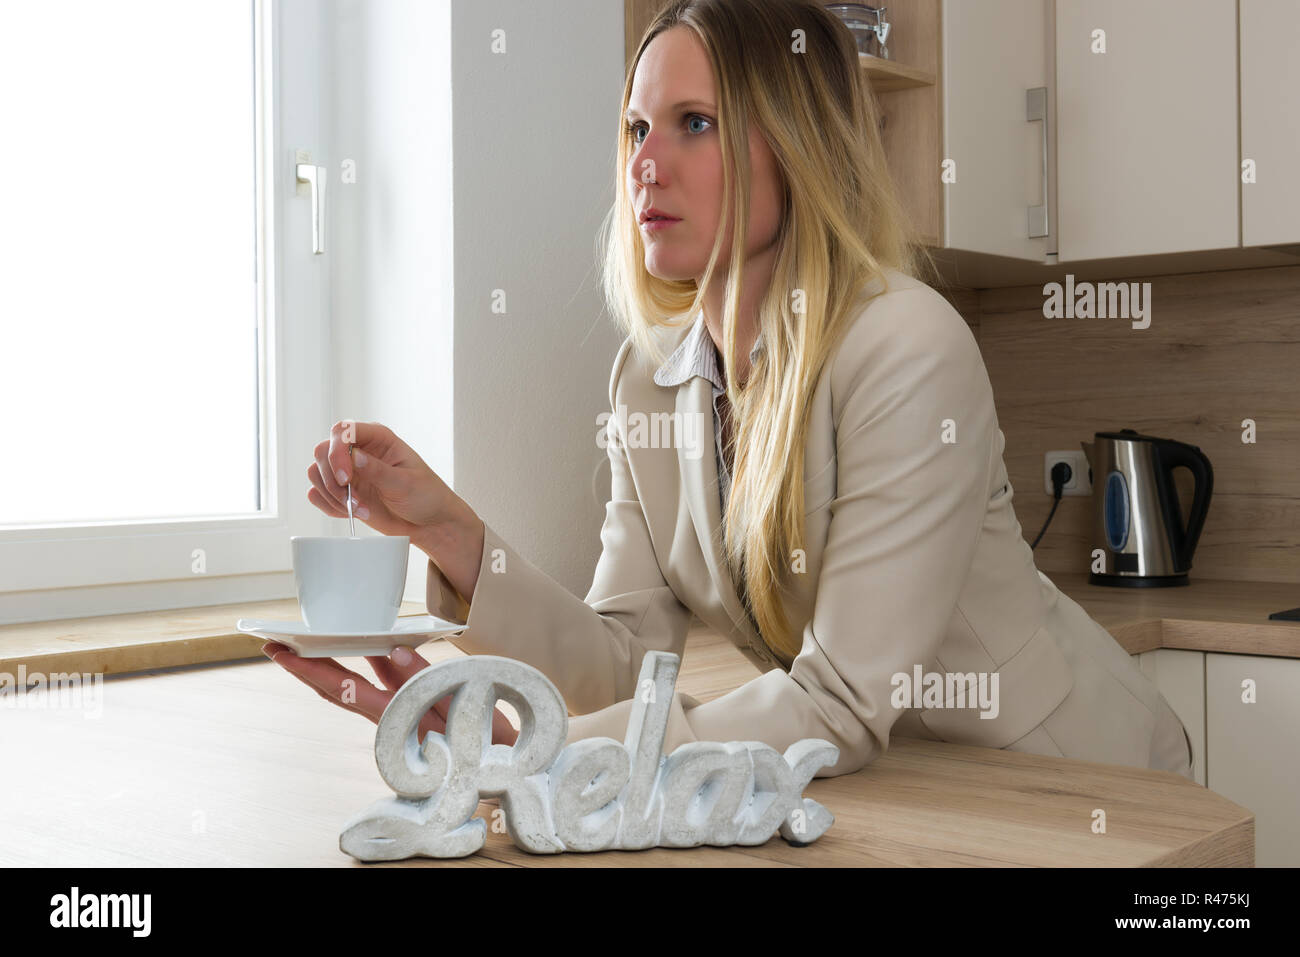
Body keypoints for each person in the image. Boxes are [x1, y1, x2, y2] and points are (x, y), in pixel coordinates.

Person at [265, 0, 1193, 781]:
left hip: (1068, 781)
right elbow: (622, 662)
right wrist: (453, 535)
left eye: (693, 123)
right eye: (636, 127)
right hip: (886, 786)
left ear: (794, 144)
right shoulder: (646, 379)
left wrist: (537, 749)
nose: (644, 164)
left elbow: (837, 703)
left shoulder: (907, 347)